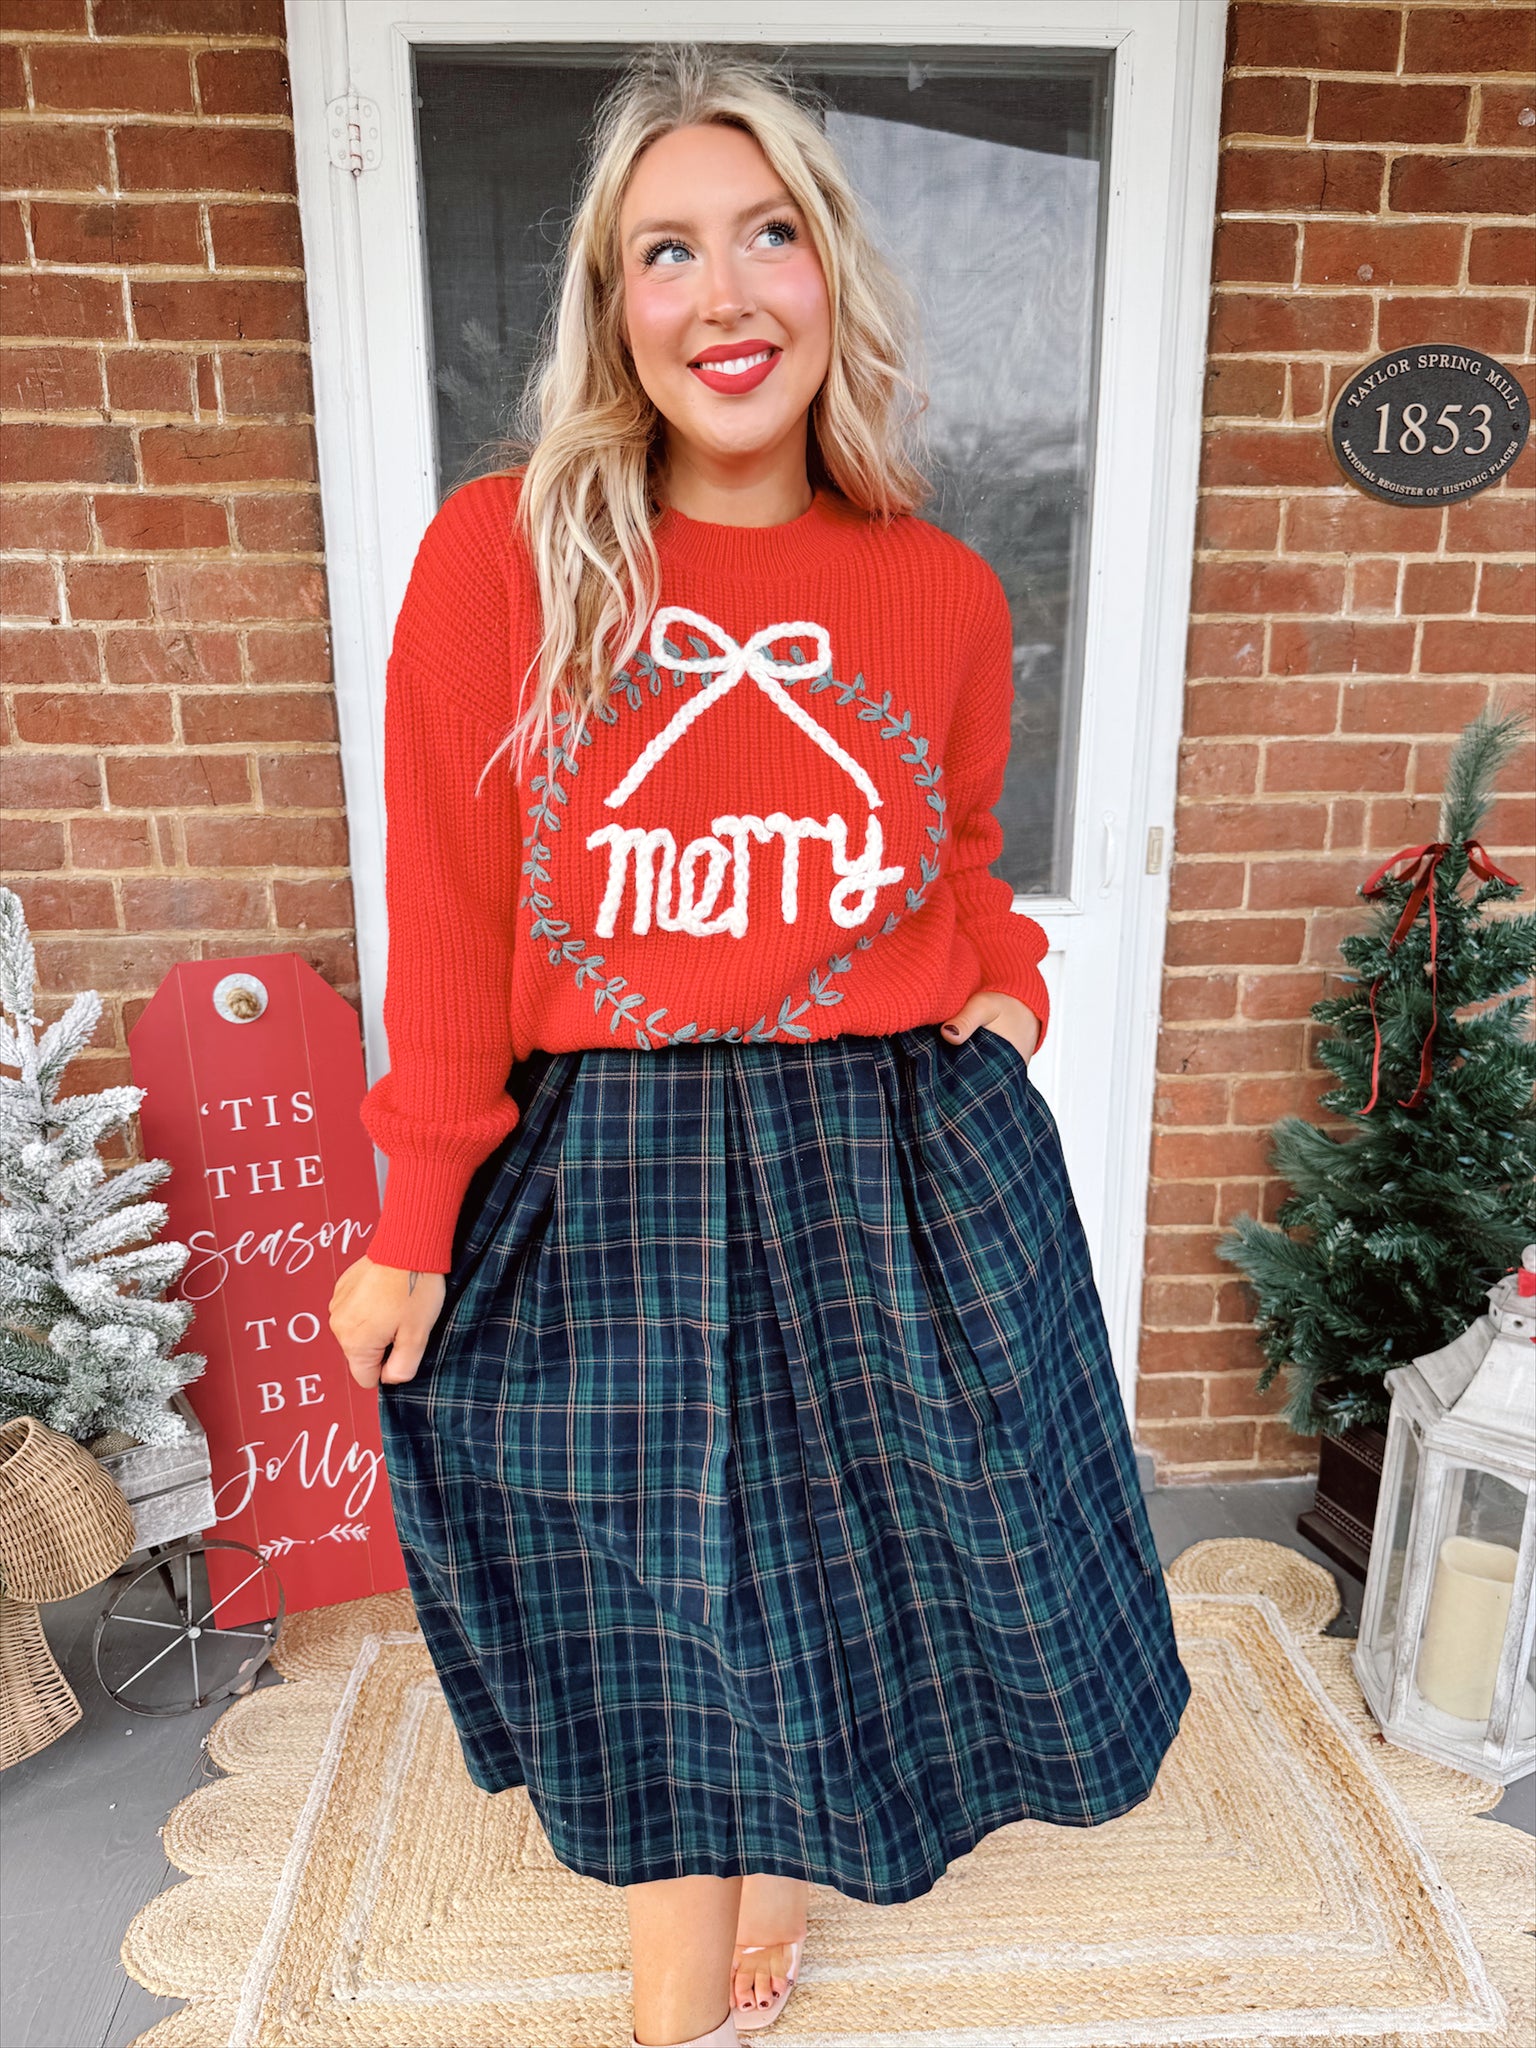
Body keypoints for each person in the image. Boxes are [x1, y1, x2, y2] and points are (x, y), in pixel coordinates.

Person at [328, 42, 1190, 2048]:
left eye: (768, 234)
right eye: (666, 252)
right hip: (604, 1157)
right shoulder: (505, 555)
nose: (722, 293)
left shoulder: (937, 589)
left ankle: (783, 1859)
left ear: (831, 275)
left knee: (850, 1562)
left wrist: (1011, 988)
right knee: (638, 1591)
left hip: (881, 1155)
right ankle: (677, 1983)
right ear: (612, 308)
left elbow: (954, 860)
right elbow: (448, 906)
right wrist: (415, 1214)